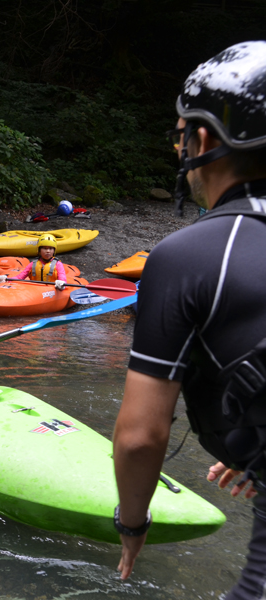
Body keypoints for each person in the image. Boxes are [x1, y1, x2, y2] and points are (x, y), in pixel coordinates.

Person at [111, 41, 266, 598]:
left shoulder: (189, 255)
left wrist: (132, 524)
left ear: (201, 140)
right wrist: (254, 446)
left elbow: (139, 437)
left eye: (181, 135)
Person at [0, 233, 67, 290]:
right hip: (34, 290)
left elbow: (62, 277)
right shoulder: (33, 264)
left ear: (54, 251)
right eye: (45, 248)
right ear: (39, 250)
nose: (48, 251)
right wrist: (7, 279)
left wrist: (61, 284)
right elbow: (20, 277)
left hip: (51, 290)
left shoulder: (58, 264)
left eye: (51, 248)